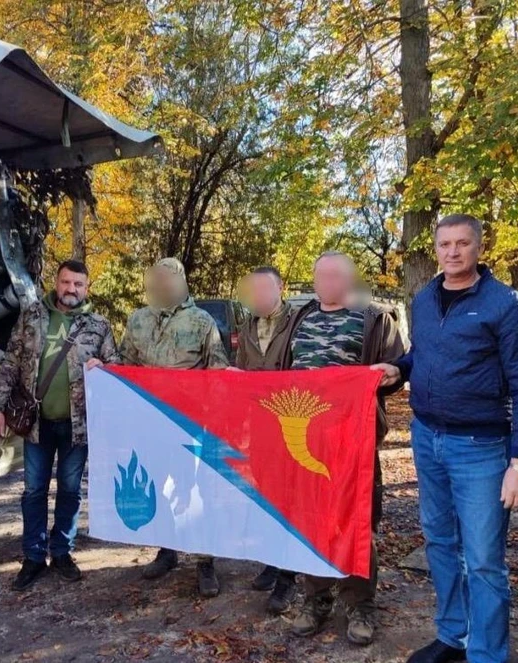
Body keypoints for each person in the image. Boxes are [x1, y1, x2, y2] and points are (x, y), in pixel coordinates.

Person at [372, 214, 518, 663]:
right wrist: (401, 369)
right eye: (445, 244)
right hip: (427, 438)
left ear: (479, 247)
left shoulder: (509, 306)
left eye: (462, 243)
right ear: (435, 248)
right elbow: (424, 354)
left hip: (482, 450)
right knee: (439, 542)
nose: (453, 252)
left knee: (484, 559)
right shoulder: (425, 298)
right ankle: (454, 635)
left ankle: (487, 654)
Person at [285, 251, 405, 646]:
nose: (328, 283)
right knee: (311, 521)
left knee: (356, 525)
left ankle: (360, 606)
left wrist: (385, 376)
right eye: (321, 276)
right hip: (306, 439)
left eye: (336, 276)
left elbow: (394, 372)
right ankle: (316, 599)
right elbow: (281, 374)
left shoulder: (373, 318)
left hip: (353, 440)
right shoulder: (299, 318)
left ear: (351, 280)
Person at [0, 259, 118, 592]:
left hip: (78, 426)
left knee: (71, 491)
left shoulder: (99, 325)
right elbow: (10, 363)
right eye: (65, 282)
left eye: (78, 284)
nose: (70, 289)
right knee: (34, 491)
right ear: (56, 282)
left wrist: (103, 366)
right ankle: (33, 556)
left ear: (87, 288)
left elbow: (117, 368)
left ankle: (62, 552)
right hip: (37, 424)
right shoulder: (32, 317)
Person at [119, 257, 230, 597]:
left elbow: (218, 371)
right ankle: (167, 550)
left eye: (170, 281)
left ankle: (205, 562)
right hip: (151, 424)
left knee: (197, 494)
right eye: (158, 281)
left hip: (190, 426)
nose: (163, 287)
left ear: (181, 282)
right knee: (159, 487)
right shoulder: (137, 320)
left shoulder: (201, 321)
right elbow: (125, 365)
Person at [232, 266, 300, 614]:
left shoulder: (298, 322)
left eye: (264, 289)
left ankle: (289, 577)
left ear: (280, 288)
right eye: (252, 290)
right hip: (259, 427)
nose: (257, 296)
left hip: (289, 424)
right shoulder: (246, 327)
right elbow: (243, 372)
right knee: (266, 496)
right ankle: (273, 561)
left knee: (289, 498)